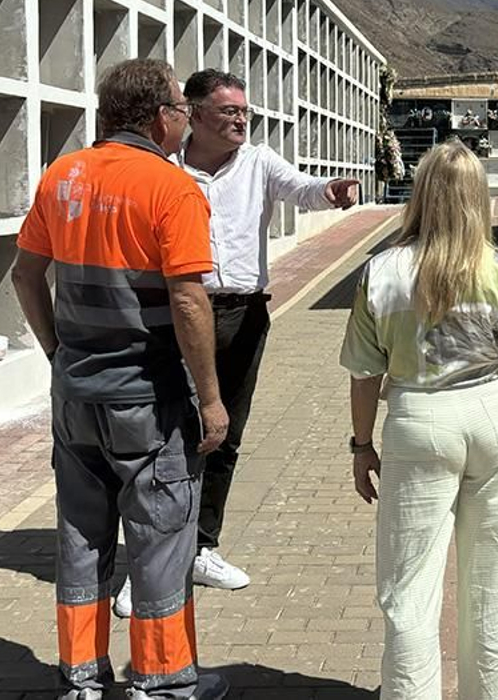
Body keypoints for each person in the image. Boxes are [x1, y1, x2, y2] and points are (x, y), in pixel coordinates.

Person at [12, 58, 230, 700]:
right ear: (162, 117)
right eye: (183, 112)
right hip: (148, 397)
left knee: (81, 534)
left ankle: (81, 677)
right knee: (160, 535)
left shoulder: (64, 175)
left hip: (77, 394)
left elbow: (25, 275)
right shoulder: (171, 187)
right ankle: (162, 681)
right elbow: (189, 301)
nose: (186, 123)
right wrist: (212, 400)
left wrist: (59, 354)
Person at [112, 68, 360, 617]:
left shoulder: (259, 162)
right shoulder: (162, 170)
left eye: (244, 112)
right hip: (180, 312)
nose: (241, 120)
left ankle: (200, 547)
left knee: (224, 436)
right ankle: (149, 562)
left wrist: (334, 190)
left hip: (245, 313)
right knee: (167, 440)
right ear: (194, 114)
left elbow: (302, 188)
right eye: (229, 112)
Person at [339, 139, 498, 699]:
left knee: (409, 586)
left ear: (420, 195)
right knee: (493, 580)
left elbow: (365, 375)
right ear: (476, 199)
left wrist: (361, 445)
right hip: (493, 419)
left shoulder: (381, 273)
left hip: (418, 421)